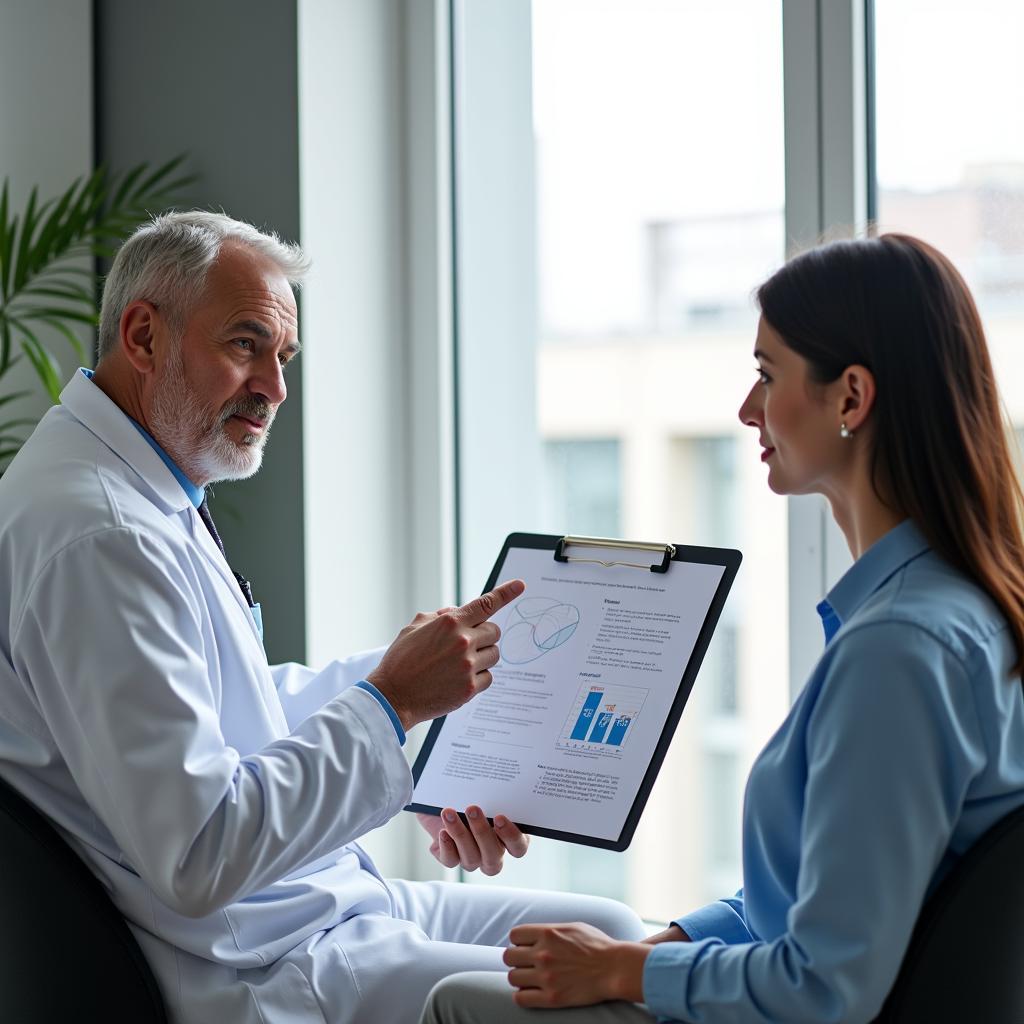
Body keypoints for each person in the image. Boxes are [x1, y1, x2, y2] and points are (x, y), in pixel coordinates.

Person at [0, 210, 645, 1024]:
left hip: (311, 909)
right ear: (143, 336)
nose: (275, 386)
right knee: (607, 999)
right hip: (266, 964)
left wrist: (425, 687)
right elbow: (198, 852)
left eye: (283, 356)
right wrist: (392, 705)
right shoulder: (99, 535)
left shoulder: (136, 484)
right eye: (246, 344)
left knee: (612, 930)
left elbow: (225, 714)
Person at [420, 233, 1024, 1024]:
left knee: (460, 1003)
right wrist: (662, 944)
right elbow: (820, 898)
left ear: (850, 397)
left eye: (767, 375)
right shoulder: (949, 613)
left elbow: (828, 984)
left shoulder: (899, 652)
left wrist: (631, 971)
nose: (747, 409)